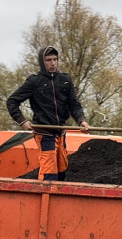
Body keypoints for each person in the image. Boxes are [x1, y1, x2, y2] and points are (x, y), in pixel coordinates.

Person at [6, 45, 88, 181]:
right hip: (44, 132)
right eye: (49, 60)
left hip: (61, 131)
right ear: (42, 62)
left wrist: (81, 120)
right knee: (49, 171)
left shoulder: (65, 80)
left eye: (55, 59)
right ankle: (45, 199)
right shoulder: (34, 82)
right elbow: (12, 101)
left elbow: (74, 104)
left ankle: (59, 200)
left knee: (62, 169)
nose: (52, 63)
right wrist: (22, 121)